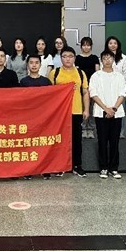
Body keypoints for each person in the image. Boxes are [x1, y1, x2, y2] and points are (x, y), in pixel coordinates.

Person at [48, 46, 90, 178]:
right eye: (65, 56)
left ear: (75, 58)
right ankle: (59, 166)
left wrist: (86, 109)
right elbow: (49, 94)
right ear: (60, 58)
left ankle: (77, 165)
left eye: (70, 56)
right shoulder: (55, 73)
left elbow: (85, 92)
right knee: (59, 139)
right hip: (59, 113)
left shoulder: (80, 73)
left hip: (76, 111)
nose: (67, 59)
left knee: (76, 139)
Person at [89, 50, 126, 179]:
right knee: (102, 141)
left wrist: (113, 109)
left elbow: (122, 93)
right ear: (101, 60)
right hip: (101, 113)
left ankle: (114, 168)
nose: (107, 60)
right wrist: (106, 109)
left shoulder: (119, 76)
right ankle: (103, 168)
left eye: (110, 58)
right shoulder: (96, 76)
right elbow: (93, 94)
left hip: (117, 112)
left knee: (114, 141)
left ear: (113, 60)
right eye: (104, 58)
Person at [20, 54, 52, 180]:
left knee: (43, 144)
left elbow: (52, 98)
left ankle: (44, 169)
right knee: (29, 144)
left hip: (44, 118)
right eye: (31, 62)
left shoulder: (46, 82)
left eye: (36, 63)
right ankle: (28, 170)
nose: (34, 65)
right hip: (28, 118)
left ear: (40, 65)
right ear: (27, 65)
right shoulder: (23, 82)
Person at [103, 36, 126, 138]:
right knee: (106, 110)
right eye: (110, 43)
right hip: (105, 89)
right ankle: (106, 132)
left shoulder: (124, 58)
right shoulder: (102, 57)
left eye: (115, 43)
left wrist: (120, 87)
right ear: (107, 45)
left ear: (118, 45)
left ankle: (120, 132)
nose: (113, 45)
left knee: (119, 110)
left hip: (119, 90)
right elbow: (100, 73)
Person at [75, 37, 100, 139]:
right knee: (82, 107)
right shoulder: (77, 58)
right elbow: (76, 72)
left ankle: (91, 129)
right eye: (84, 45)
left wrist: (95, 85)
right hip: (81, 86)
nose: (86, 47)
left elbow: (97, 72)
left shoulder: (94, 58)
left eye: (88, 45)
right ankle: (83, 128)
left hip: (92, 85)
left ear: (91, 46)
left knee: (92, 108)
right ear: (81, 46)